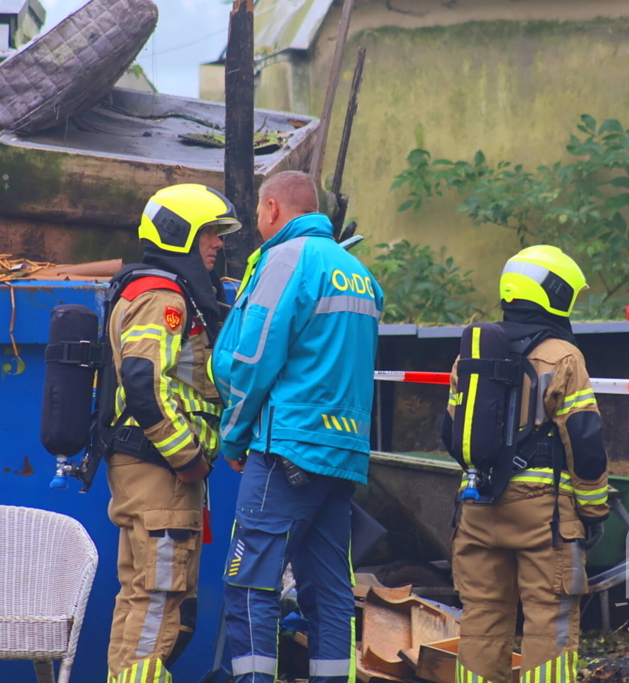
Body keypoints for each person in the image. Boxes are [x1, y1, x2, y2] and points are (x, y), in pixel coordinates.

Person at [212, 171, 383, 683]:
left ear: (270, 209)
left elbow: (252, 357)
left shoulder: (285, 260)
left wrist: (234, 433)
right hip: (341, 454)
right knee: (329, 590)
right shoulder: (357, 272)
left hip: (286, 449)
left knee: (250, 584)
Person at [443, 245, 608, 683]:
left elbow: (450, 433)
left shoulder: (471, 353)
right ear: (553, 292)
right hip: (543, 515)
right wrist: (592, 510)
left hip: (477, 506)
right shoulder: (563, 356)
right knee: (548, 619)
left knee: (482, 618)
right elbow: (585, 441)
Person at [105, 184, 241, 683]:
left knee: (145, 596)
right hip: (161, 469)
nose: (218, 244)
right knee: (160, 600)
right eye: (209, 232)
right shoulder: (163, 296)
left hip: (154, 471)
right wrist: (186, 457)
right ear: (179, 233)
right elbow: (143, 382)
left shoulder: (165, 291)